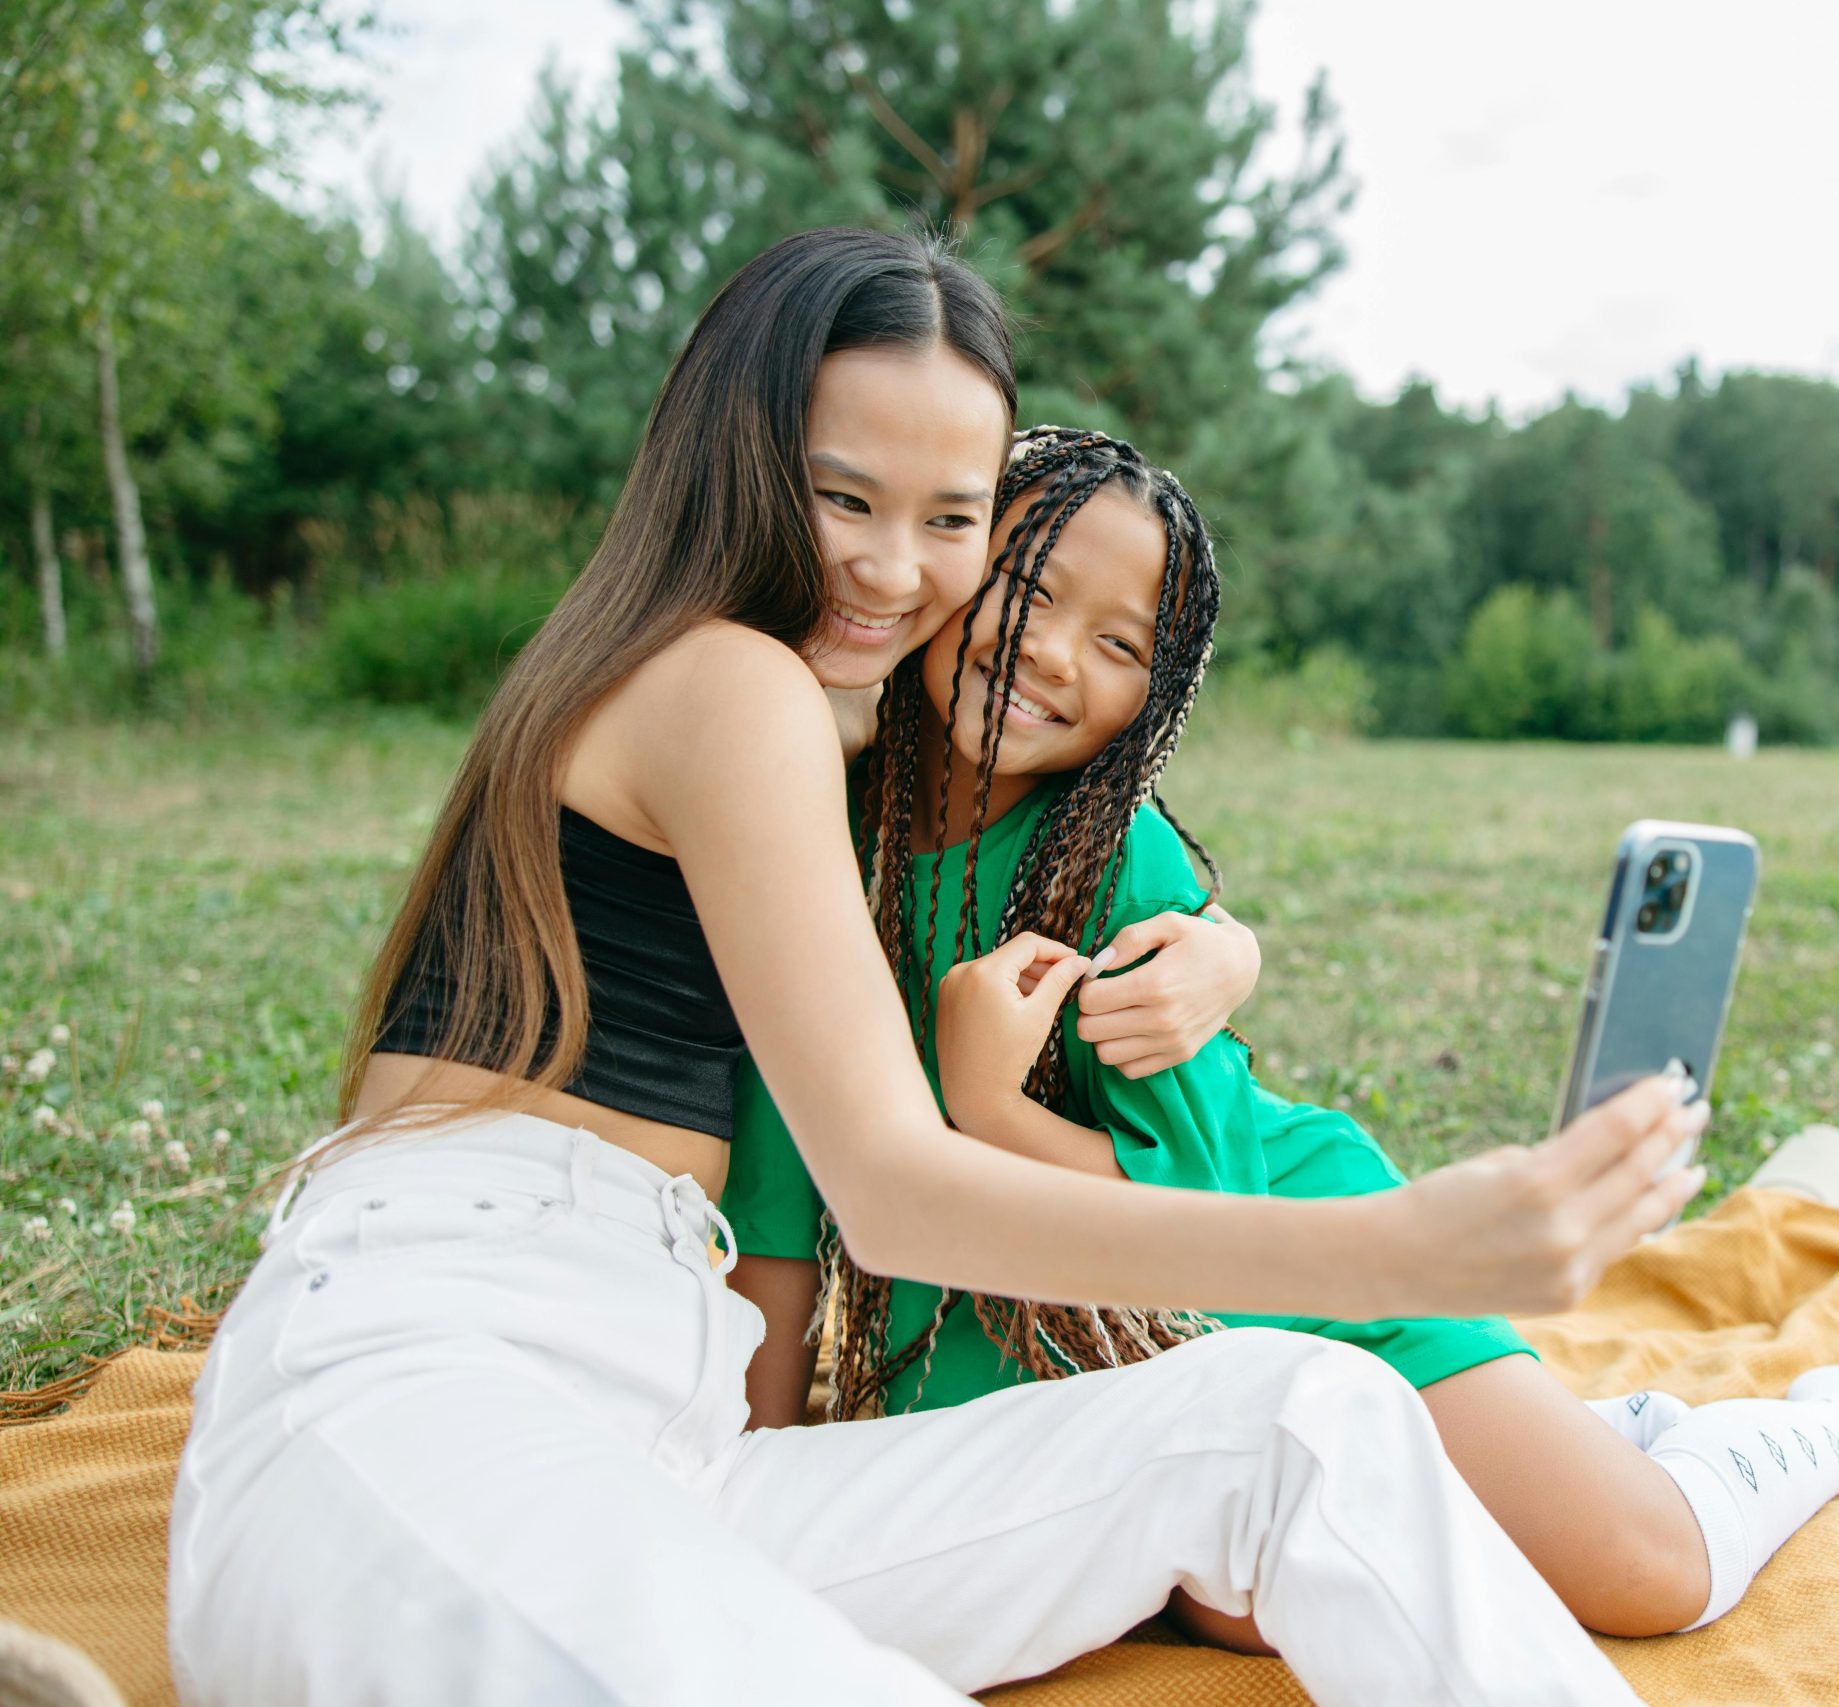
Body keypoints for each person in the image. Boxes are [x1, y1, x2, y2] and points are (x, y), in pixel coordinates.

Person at [164, 229, 1710, 1707]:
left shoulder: (811, 731)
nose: (897, 570)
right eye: (842, 497)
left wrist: (1229, 946)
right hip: (427, 1406)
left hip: (667, 1440)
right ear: (736, 458)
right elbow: (893, 1190)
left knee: (1298, 1419)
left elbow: (1045, 843)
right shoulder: (730, 687)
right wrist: (1404, 1251)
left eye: (954, 518)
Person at [723, 427, 1839, 1643]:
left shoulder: (1120, 870)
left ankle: (1824, 1427)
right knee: (1254, 1607)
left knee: (1645, 1571)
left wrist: (991, 1112)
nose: (1052, 650)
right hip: (1025, 1339)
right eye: (1031, 584)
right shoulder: (814, 834)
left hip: (1298, 1276)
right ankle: (1591, 1439)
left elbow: (1217, 1218)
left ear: (1160, 695)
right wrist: (759, 1472)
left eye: (1123, 641)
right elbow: (787, 1181)